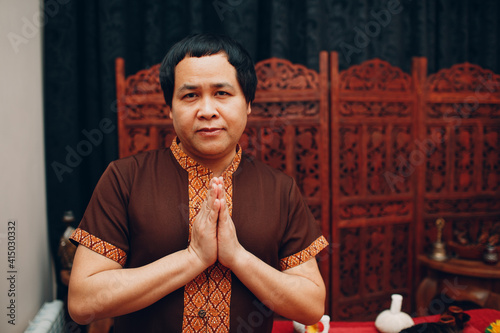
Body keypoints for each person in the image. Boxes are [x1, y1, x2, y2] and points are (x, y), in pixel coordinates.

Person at [68, 33, 328, 332]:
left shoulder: (280, 190)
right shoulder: (125, 178)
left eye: (222, 93)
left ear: (248, 104)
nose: (206, 110)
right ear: (170, 107)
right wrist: (193, 258)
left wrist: (238, 258)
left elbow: (310, 307)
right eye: (190, 95)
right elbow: (82, 303)